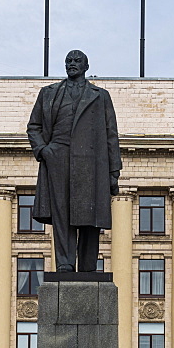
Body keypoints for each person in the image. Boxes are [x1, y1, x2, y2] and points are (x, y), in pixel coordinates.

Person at [26, 50, 122, 273]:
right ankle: (65, 263)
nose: (72, 64)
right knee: (62, 213)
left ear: (86, 66)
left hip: (91, 162)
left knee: (90, 215)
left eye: (77, 61)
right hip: (57, 158)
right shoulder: (49, 93)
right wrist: (43, 150)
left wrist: (113, 171)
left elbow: (111, 134)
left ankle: (88, 266)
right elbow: (34, 126)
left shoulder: (100, 95)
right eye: (69, 61)